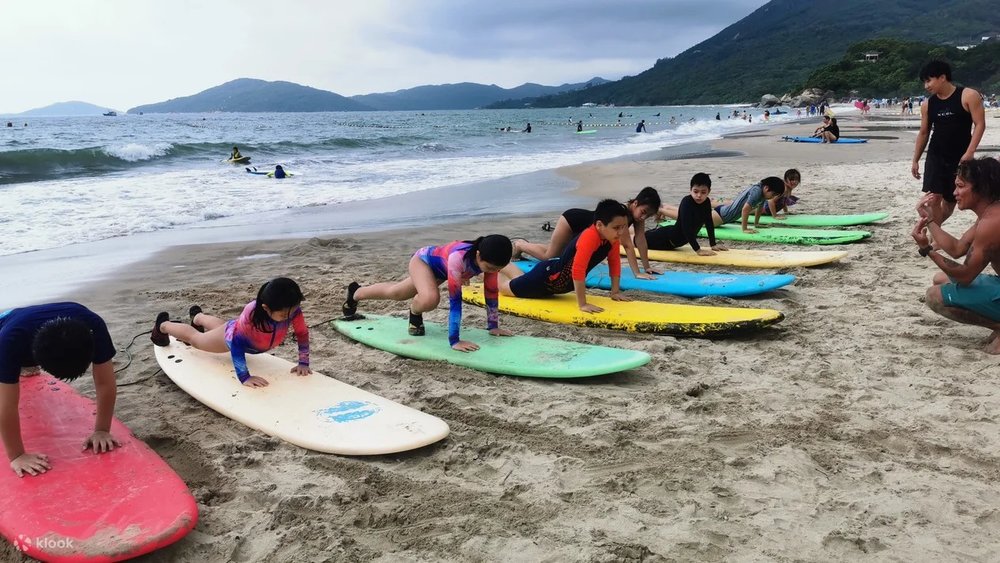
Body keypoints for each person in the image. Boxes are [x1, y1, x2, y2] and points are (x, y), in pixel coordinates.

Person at [0, 303, 120, 477]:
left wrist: (102, 430)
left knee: (22, 363)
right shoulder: (8, 341)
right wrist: (17, 455)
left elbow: (105, 383)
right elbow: (6, 406)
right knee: (8, 368)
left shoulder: (94, 326)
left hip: (51, 323)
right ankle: (23, 365)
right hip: (7, 323)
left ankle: (25, 366)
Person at [342, 235, 513, 351]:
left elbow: (491, 292)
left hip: (441, 270)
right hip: (423, 261)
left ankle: (356, 292)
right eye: (490, 268)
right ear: (478, 255)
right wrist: (455, 341)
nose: (493, 271)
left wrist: (493, 326)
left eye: (498, 269)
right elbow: (455, 301)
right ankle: (412, 312)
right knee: (424, 298)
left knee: (399, 292)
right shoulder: (458, 258)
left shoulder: (490, 259)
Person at [151, 278, 311, 388]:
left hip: (234, 328)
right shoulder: (252, 314)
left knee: (223, 326)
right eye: (283, 315)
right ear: (266, 308)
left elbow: (302, 334)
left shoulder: (292, 310)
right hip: (231, 339)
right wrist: (244, 377)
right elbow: (235, 343)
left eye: (293, 311)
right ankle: (163, 326)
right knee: (197, 339)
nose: (289, 317)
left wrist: (303, 362)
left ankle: (197, 317)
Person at [911, 157, 1000, 354]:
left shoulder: (992, 222)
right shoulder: (990, 213)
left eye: (960, 186)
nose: (954, 193)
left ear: (981, 188)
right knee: (940, 279)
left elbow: (966, 276)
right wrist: (929, 220)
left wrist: (927, 250)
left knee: (934, 296)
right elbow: (957, 248)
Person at [499, 200, 630, 313]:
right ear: (600, 225)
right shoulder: (589, 237)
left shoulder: (612, 239)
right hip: (547, 278)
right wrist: (582, 304)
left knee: (521, 282)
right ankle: (490, 270)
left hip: (556, 284)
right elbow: (578, 269)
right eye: (616, 227)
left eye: (623, 227)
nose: (621, 232)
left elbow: (614, 262)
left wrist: (615, 292)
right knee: (504, 288)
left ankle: (505, 266)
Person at [514, 187, 663, 278]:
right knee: (551, 256)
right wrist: (637, 273)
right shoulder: (622, 214)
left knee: (558, 252)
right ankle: (520, 245)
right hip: (572, 221)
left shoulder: (638, 217)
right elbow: (628, 245)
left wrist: (647, 266)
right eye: (643, 212)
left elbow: (641, 239)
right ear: (635, 203)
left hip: (585, 229)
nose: (643, 217)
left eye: (648, 215)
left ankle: (526, 247)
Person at [911, 60, 987, 225]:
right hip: (936, 155)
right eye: (924, 81)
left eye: (929, 80)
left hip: (960, 156)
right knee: (933, 198)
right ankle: (935, 238)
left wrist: (970, 152)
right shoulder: (928, 104)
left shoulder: (968, 96)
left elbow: (980, 124)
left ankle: (936, 232)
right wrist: (915, 159)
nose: (926, 86)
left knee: (951, 201)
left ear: (942, 77)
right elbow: (924, 132)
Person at [660, 177, 785, 233]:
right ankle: (661, 210)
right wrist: (745, 229)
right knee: (689, 219)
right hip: (722, 216)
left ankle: (665, 206)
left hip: (723, 213)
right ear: (767, 188)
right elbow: (746, 210)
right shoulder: (757, 191)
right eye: (773, 194)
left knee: (692, 215)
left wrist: (756, 224)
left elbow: (758, 209)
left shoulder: (761, 193)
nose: (772, 198)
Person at [645, 173, 727, 255]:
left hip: (674, 239)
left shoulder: (707, 202)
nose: (699, 195)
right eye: (696, 191)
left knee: (640, 235)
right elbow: (686, 228)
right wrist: (698, 250)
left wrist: (713, 244)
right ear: (690, 190)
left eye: (703, 192)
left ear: (709, 191)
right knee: (638, 239)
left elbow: (709, 222)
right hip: (666, 239)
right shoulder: (686, 202)